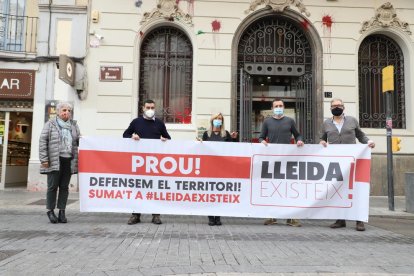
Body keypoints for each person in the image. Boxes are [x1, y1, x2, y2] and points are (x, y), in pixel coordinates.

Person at [320, 98, 375, 231]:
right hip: (336, 162)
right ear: (330, 108)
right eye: (334, 106)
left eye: (339, 105)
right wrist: (322, 142)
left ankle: (359, 220)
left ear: (343, 107)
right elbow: (323, 138)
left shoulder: (352, 120)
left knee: (356, 189)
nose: (336, 107)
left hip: (353, 161)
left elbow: (361, 136)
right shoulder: (326, 123)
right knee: (339, 190)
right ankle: (340, 220)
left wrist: (368, 142)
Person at [123, 99, 171, 225]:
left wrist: (164, 139)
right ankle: (136, 215)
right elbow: (125, 135)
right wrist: (132, 136)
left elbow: (169, 138)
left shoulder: (160, 123)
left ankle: (155, 215)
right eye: (148, 107)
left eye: (152, 107)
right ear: (143, 108)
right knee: (138, 188)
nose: (150, 110)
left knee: (154, 188)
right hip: (139, 162)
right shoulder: (136, 122)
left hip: (155, 163)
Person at [259, 99, 304, 227]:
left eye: (280, 106)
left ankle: (292, 218)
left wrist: (299, 141)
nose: (278, 107)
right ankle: (271, 216)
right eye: (276, 106)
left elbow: (298, 135)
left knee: (288, 188)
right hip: (273, 160)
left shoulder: (290, 121)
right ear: (272, 108)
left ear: (283, 107)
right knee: (273, 188)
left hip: (288, 160)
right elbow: (262, 136)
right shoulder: (267, 122)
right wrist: (262, 141)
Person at [39, 102, 81, 224]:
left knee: (64, 187)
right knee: (52, 187)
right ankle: (50, 211)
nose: (66, 112)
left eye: (69, 110)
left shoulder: (74, 126)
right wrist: (44, 159)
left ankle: (62, 211)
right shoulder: (50, 124)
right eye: (64, 110)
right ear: (58, 112)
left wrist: (83, 140)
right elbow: (43, 141)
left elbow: (77, 140)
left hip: (68, 160)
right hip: (54, 160)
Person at [199, 112, 238, 226]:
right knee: (210, 193)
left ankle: (218, 217)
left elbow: (232, 148)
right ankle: (211, 217)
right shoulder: (207, 134)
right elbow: (203, 149)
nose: (218, 121)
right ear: (212, 120)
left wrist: (234, 139)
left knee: (219, 193)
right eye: (216, 119)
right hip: (210, 168)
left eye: (220, 119)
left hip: (222, 168)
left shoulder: (225, 134)